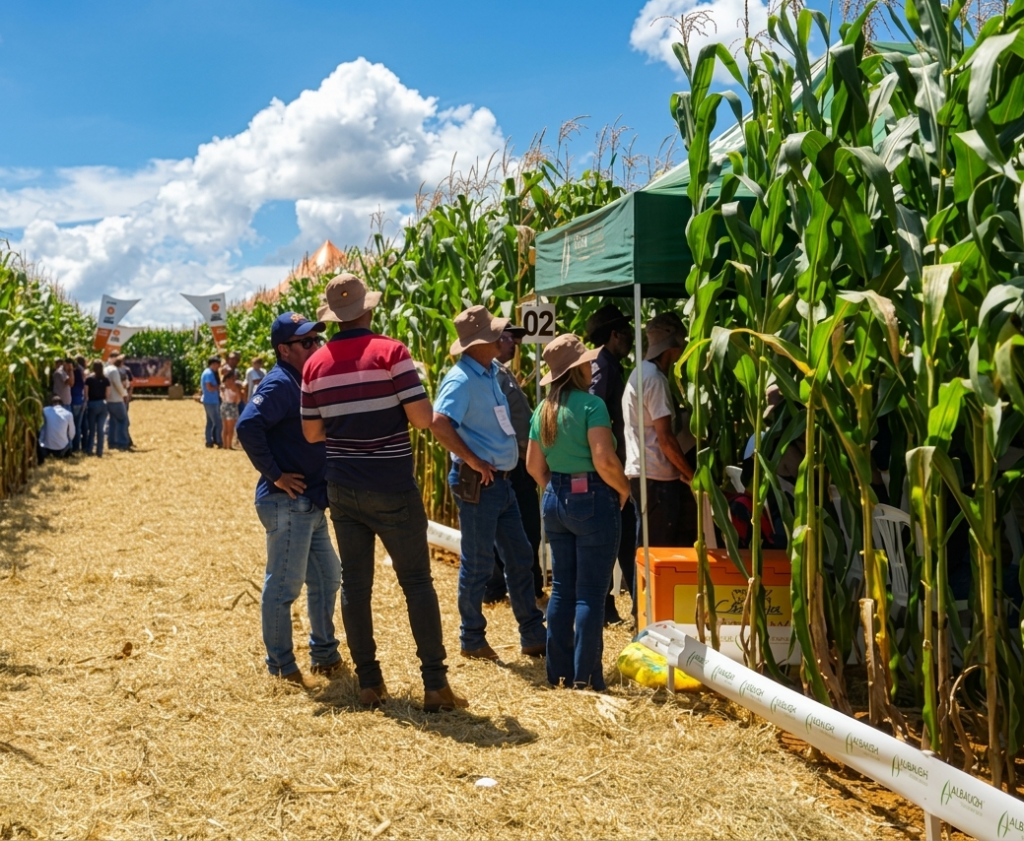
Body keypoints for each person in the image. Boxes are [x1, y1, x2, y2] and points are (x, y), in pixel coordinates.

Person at [301, 274, 467, 712]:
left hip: (342, 486)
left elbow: (312, 432)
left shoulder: (314, 365)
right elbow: (421, 418)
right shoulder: (392, 353)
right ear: (369, 310)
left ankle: (370, 684)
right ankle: (435, 686)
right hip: (391, 484)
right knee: (416, 583)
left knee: (355, 585)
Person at [431, 305, 547, 662]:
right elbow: (438, 422)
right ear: (480, 342)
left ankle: (532, 632)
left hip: (500, 482)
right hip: (481, 482)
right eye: (496, 333)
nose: (503, 337)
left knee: (519, 556)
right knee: (479, 563)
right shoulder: (462, 380)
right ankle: (471, 638)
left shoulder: (487, 372)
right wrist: (473, 459)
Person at [237, 312, 343, 690]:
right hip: (288, 501)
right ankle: (281, 666)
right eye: (306, 342)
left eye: (316, 340)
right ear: (284, 350)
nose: (315, 346)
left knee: (328, 578)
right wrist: (276, 474)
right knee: (284, 587)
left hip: (309, 502)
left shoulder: (303, 379)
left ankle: (325, 654)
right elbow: (247, 425)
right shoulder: (281, 382)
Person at [526, 334, 631, 690]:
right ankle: (586, 678)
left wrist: (557, 487)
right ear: (578, 369)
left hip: (554, 498)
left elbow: (533, 466)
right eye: (587, 362)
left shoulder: (543, 409)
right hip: (593, 499)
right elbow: (603, 459)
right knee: (589, 593)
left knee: (561, 591)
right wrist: (623, 487)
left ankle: (559, 673)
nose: (591, 366)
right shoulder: (591, 406)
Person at [483, 324, 545, 606]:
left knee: (515, 524)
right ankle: (522, 586)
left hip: (517, 459)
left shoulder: (500, 371)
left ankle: (505, 586)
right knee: (524, 523)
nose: (515, 344)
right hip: (513, 462)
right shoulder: (492, 373)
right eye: (509, 338)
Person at [622, 313, 696, 549]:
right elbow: (665, 438)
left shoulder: (639, 372)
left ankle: (639, 588)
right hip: (657, 478)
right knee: (656, 551)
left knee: (645, 549)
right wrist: (692, 476)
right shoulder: (655, 380)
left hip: (643, 475)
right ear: (673, 346)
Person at [586, 304, 638, 625]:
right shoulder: (602, 368)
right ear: (614, 335)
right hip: (608, 467)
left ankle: (621, 606)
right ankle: (623, 606)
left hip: (611, 464)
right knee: (622, 535)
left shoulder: (609, 366)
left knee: (620, 536)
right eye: (627, 332)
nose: (631, 338)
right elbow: (594, 412)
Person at [83, 361, 110, 457]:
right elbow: (107, 394)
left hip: (92, 404)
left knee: (91, 429)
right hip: (103, 404)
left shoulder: (89, 379)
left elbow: (86, 394)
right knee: (100, 429)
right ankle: (99, 451)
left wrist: (86, 402)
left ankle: (89, 449)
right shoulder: (106, 379)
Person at [38, 396, 75, 463]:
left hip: (47, 448)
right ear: (62, 404)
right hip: (62, 448)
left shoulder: (45, 410)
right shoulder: (68, 414)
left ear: (51, 404)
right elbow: (72, 434)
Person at [104, 354, 130, 451]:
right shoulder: (114, 371)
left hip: (108, 400)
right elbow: (118, 385)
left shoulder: (106, 369)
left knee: (112, 422)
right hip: (116, 400)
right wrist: (124, 394)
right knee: (123, 421)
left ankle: (112, 443)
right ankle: (122, 443)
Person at [200, 356, 223, 448]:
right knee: (217, 422)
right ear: (213, 364)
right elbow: (209, 387)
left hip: (211, 400)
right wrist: (219, 387)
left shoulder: (210, 372)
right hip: (211, 400)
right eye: (217, 364)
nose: (218, 366)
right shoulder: (209, 373)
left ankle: (209, 440)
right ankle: (218, 440)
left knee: (210, 422)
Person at [220, 366, 243, 450]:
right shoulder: (234, 388)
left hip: (224, 405)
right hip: (231, 406)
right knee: (229, 428)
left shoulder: (223, 387)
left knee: (225, 427)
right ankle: (229, 445)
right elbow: (238, 400)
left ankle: (225, 445)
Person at [70, 356, 87, 453]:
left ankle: (74, 447)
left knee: (74, 426)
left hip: (74, 400)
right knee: (80, 426)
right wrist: (85, 400)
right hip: (80, 400)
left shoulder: (74, 372)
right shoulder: (82, 372)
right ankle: (80, 446)